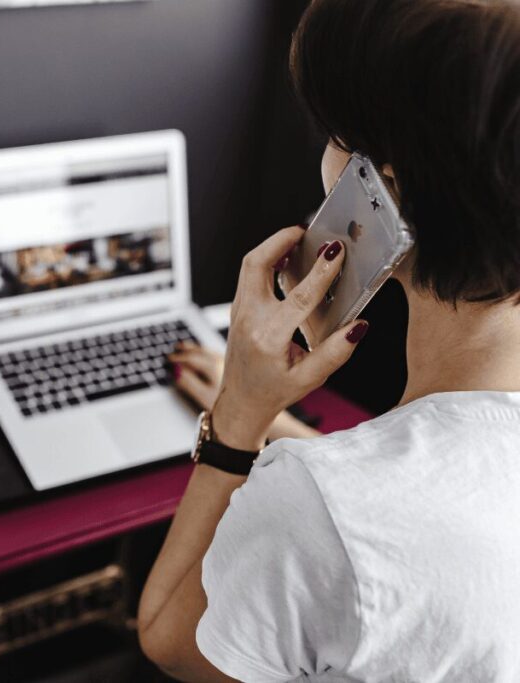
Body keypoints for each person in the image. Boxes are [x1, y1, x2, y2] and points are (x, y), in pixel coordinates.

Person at [137, 0, 520, 680]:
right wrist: (309, 448)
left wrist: (240, 415)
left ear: (387, 188)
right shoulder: (352, 501)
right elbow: (431, 511)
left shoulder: (317, 505)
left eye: (338, 134)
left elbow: (168, 632)